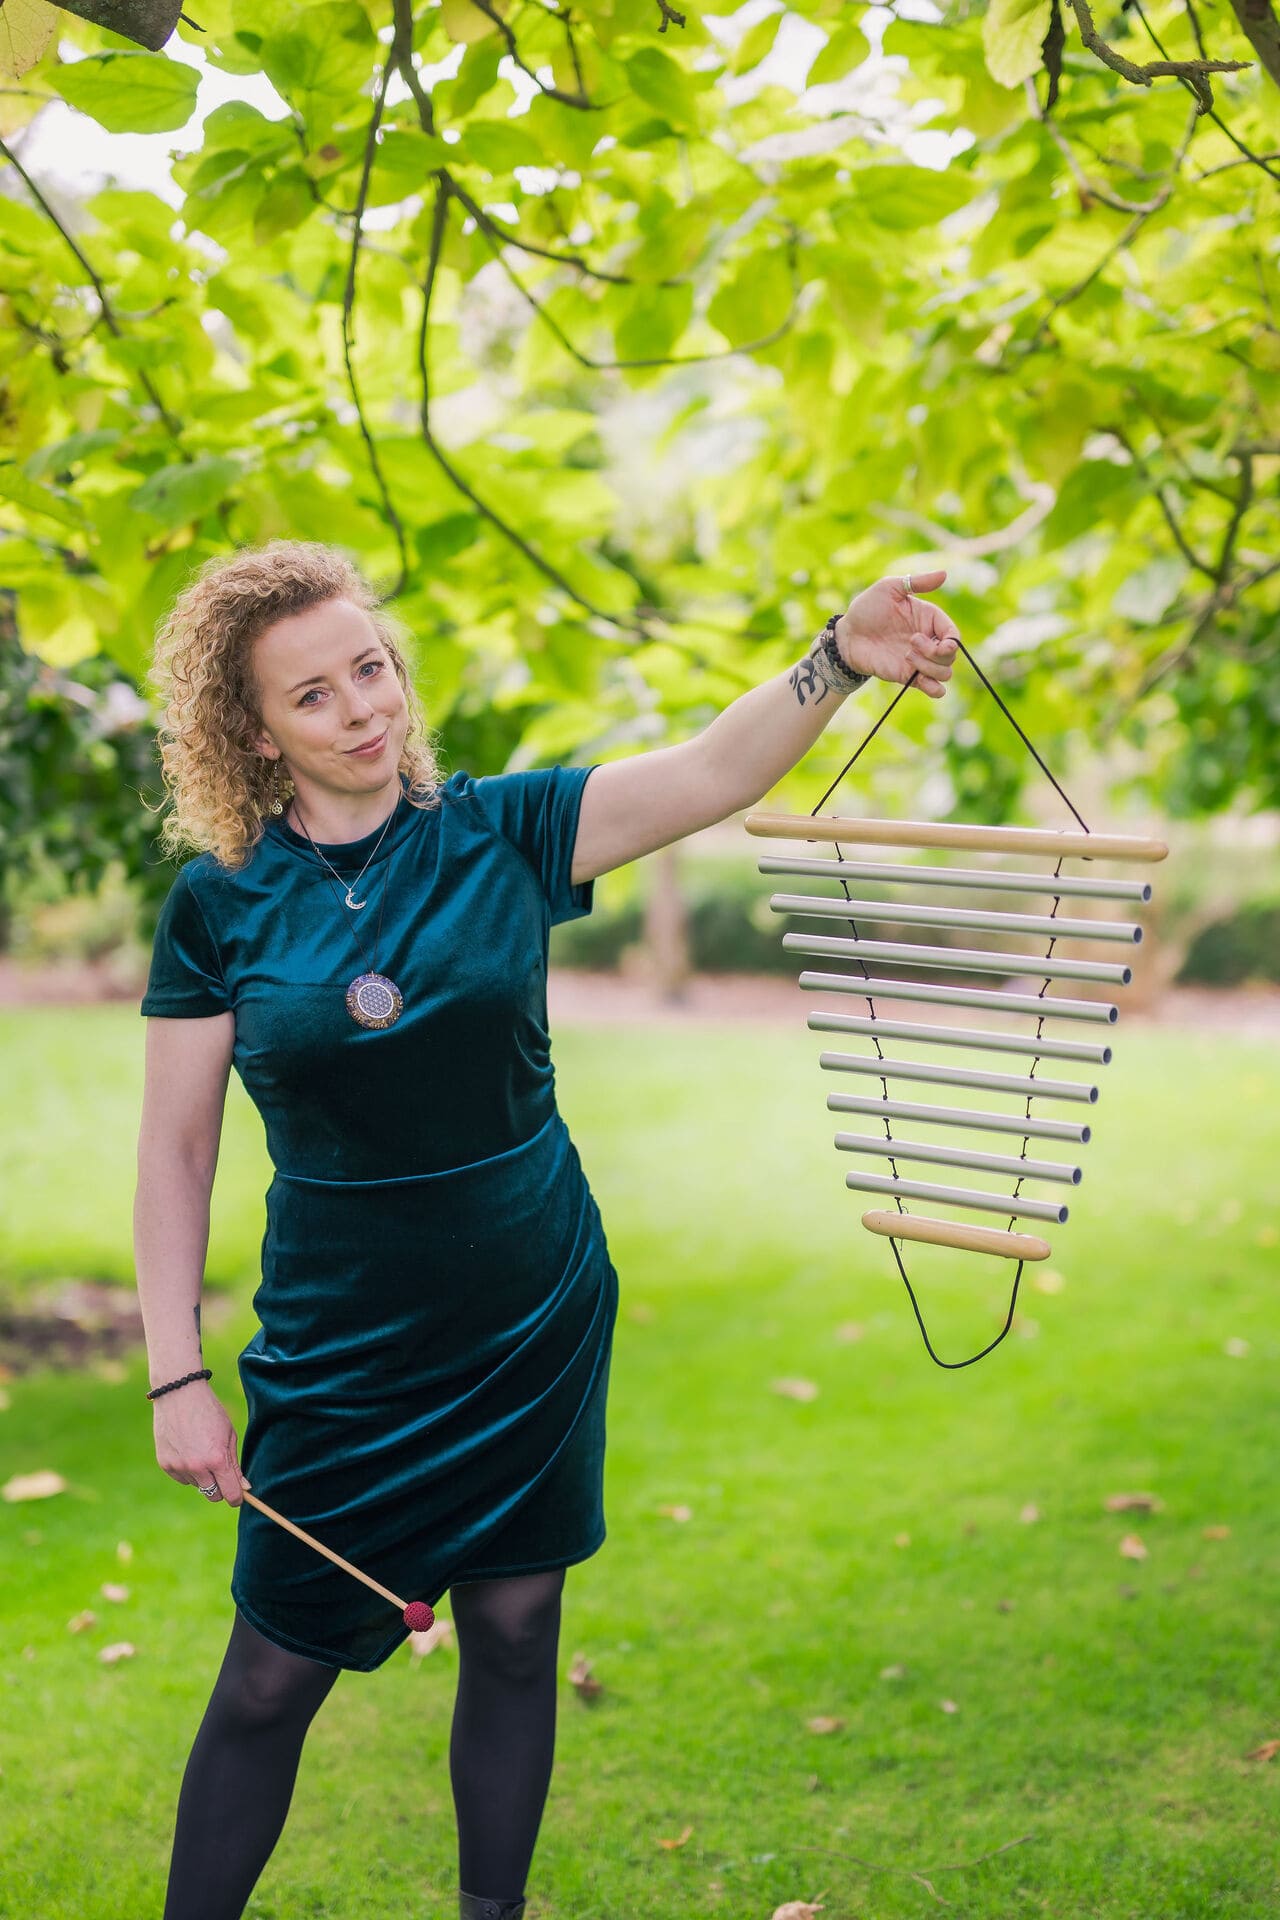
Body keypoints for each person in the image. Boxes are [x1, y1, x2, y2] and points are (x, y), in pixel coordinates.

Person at [133, 539, 957, 1920]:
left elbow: (710, 771)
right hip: (339, 1349)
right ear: (254, 733)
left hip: (531, 1311)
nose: (364, 710)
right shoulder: (219, 904)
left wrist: (840, 649)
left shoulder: (502, 833)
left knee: (517, 1635)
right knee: (272, 1675)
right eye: (315, 696)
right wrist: (175, 1372)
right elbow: (175, 1149)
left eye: (372, 669)